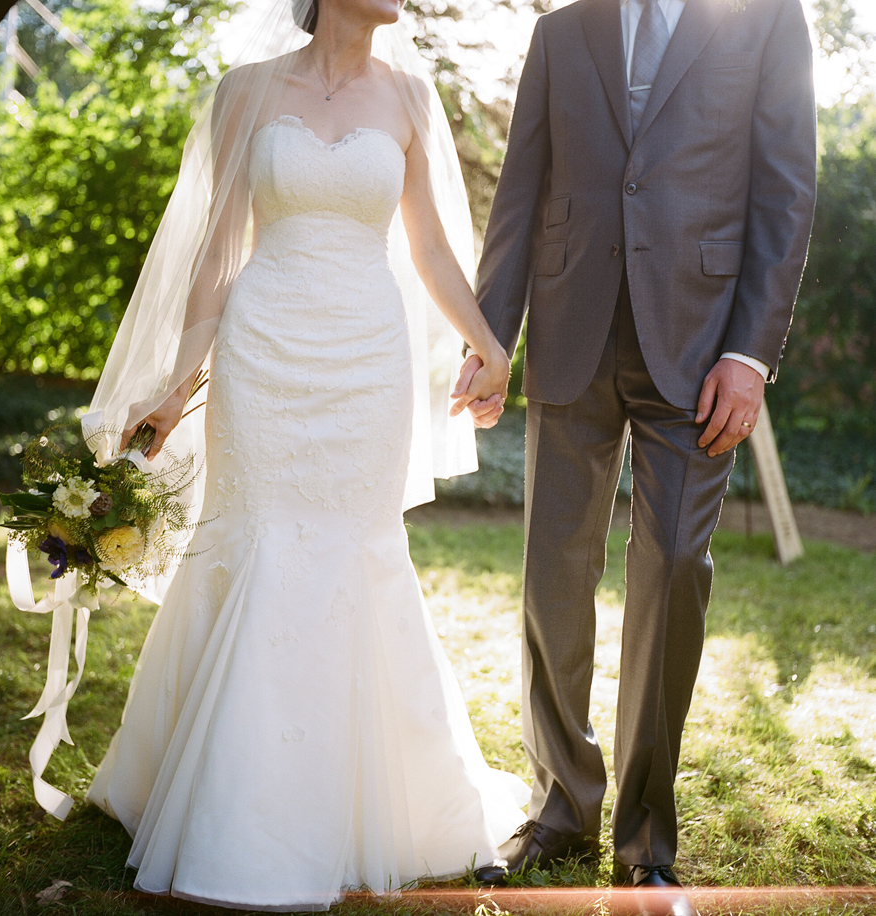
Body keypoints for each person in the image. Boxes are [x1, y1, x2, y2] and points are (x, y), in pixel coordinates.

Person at [81, 0, 528, 908]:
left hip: (367, 358)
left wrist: (490, 343)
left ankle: (360, 800)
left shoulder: (409, 95)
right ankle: (220, 798)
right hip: (263, 351)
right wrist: (174, 389)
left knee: (350, 551)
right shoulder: (243, 92)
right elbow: (215, 254)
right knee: (256, 538)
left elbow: (432, 248)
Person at [455, 0, 817, 911]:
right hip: (572, 330)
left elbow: (785, 189)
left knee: (671, 570)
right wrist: (492, 337)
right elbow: (521, 191)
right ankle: (561, 805)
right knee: (551, 575)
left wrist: (750, 354)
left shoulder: (768, 20)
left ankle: (647, 835)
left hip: (698, 350)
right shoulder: (560, 32)